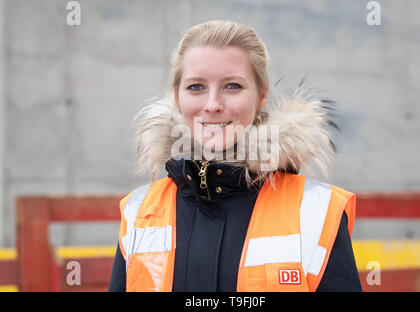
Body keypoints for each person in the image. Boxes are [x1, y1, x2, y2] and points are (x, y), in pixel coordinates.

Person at [109, 20, 362, 292]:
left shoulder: (317, 212)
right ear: (176, 96)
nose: (213, 104)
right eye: (196, 87)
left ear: (261, 97)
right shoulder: (139, 213)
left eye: (232, 86)